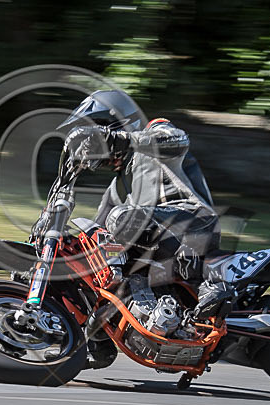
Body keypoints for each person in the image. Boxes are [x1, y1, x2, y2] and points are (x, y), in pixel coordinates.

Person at [58, 90, 235, 327]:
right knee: (103, 246)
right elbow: (97, 231)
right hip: (161, 244)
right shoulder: (116, 188)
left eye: (96, 129)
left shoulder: (154, 131)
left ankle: (211, 286)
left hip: (193, 222)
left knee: (120, 217)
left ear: (116, 122)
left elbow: (178, 139)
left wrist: (120, 139)